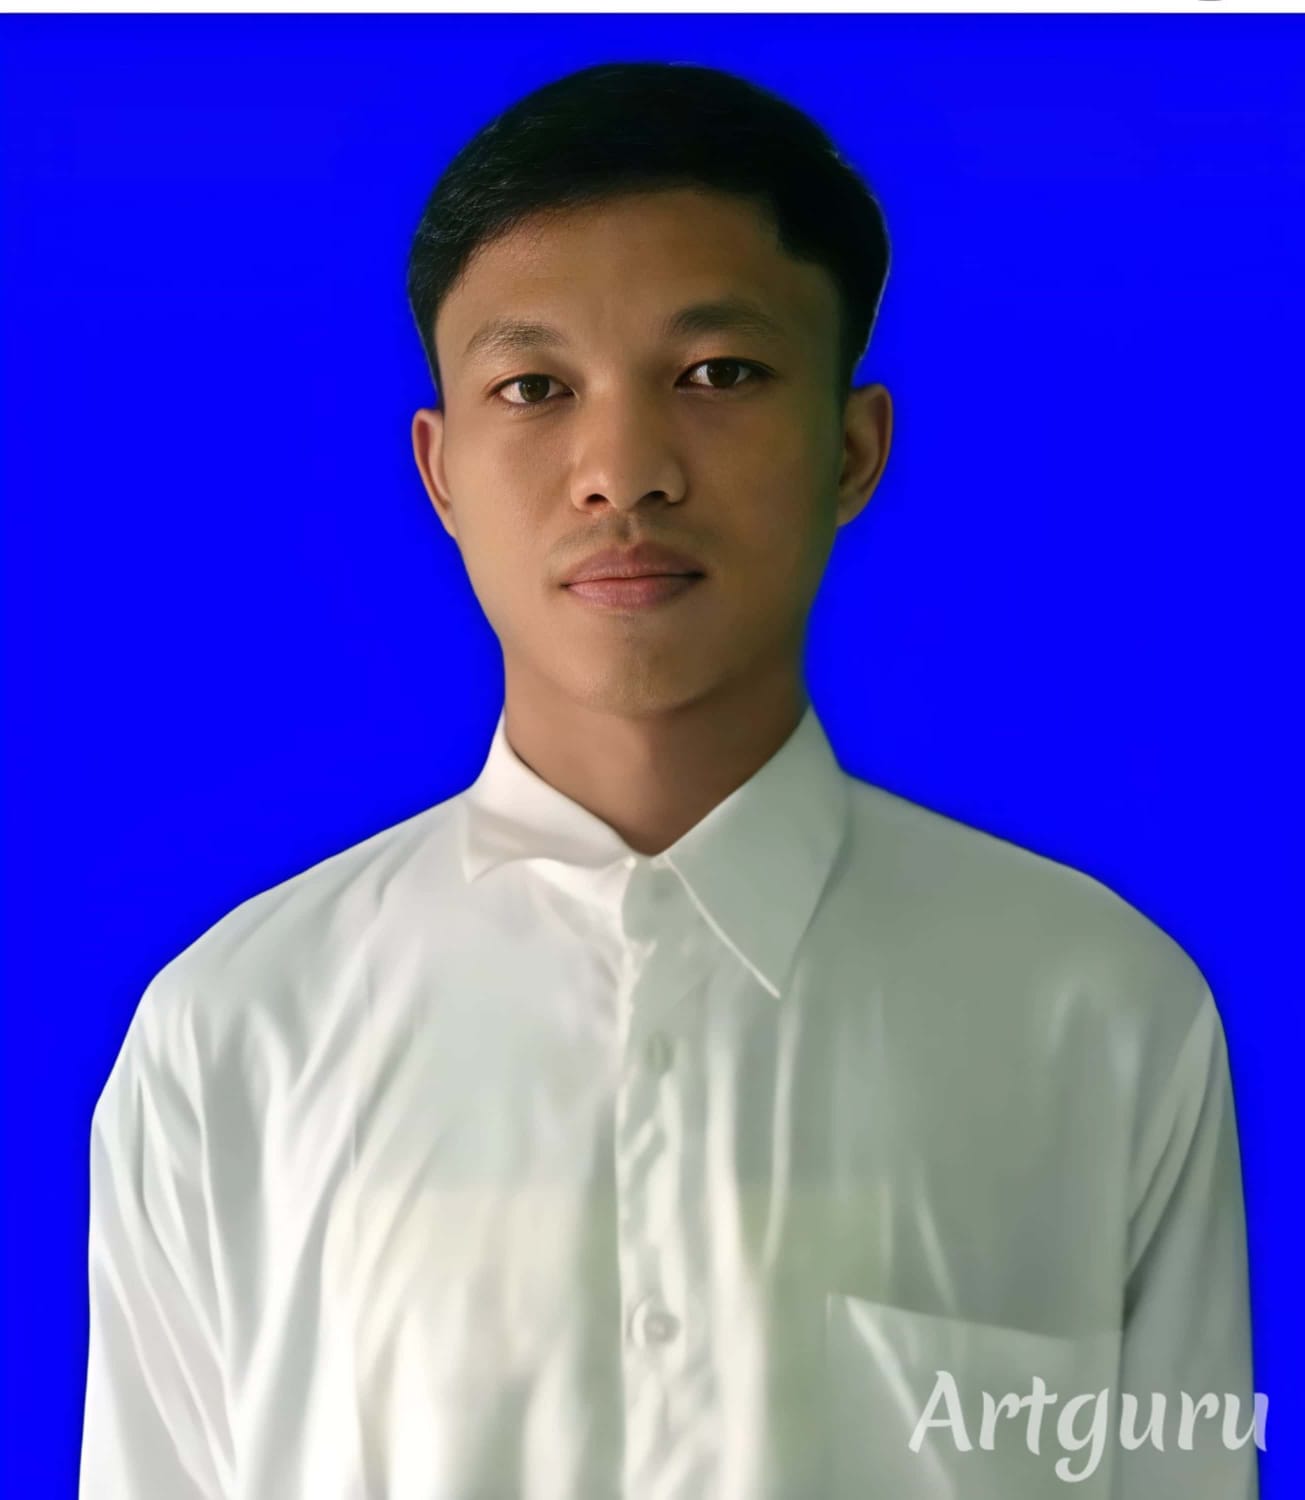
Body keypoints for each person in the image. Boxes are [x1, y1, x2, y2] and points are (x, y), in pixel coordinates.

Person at [78, 60, 1259, 1500]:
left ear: (852, 448)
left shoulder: (1101, 1012)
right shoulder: (232, 1040)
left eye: (718, 376)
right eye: (534, 388)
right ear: (440, 472)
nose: (622, 471)